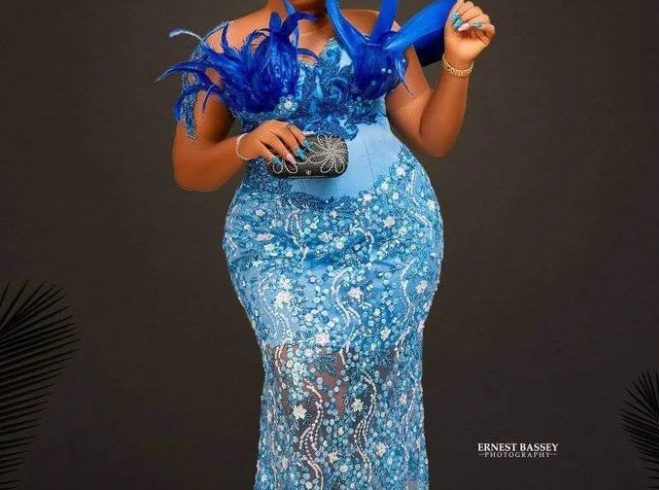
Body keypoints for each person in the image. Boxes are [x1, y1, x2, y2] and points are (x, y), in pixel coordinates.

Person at [159, 0, 495, 487]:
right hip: (278, 245)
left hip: (390, 237)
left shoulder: (376, 29)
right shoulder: (223, 44)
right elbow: (190, 170)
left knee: (380, 394)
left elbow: (432, 136)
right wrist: (244, 145)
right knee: (303, 387)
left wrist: (458, 63)